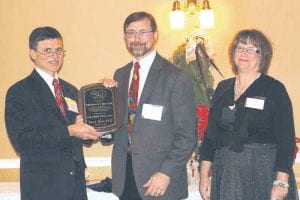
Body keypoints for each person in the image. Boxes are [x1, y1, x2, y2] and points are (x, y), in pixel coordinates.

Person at [101, 11, 197, 200]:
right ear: (124, 38)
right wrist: (102, 110)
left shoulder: (176, 77)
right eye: (131, 33)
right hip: (125, 179)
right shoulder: (120, 75)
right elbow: (116, 129)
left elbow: (187, 135)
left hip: (160, 182)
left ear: (155, 35)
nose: (136, 39)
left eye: (143, 32)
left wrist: (166, 173)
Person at [199, 29, 299, 200]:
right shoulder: (223, 88)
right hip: (226, 172)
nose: (244, 52)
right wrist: (203, 177)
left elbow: (286, 139)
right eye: (240, 47)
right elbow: (210, 137)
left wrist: (281, 182)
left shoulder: (274, 89)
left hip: (263, 172)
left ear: (263, 56)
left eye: (252, 49)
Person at [5, 26, 100, 200]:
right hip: (43, 187)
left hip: (75, 186)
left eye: (58, 50)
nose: (54, 56)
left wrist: (92, 130)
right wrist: (69, 130)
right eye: (47, 51)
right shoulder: (19, 92)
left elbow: (79, 136)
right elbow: (22, 142)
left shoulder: (71, 90)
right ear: (32, 54)